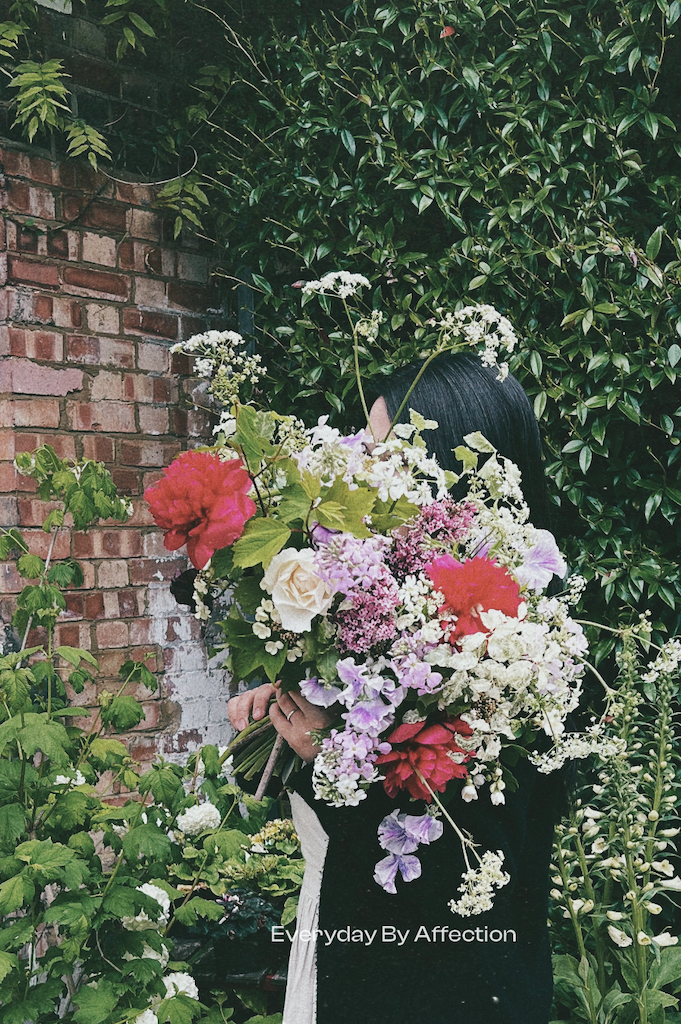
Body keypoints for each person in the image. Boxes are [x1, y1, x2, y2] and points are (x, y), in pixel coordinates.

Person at [227, 352, 565, 1024]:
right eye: (366, 454)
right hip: (351, 958)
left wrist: (332, 760)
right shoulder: (376, 608)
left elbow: (461, 875)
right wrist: (281, 730)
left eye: (390, 458)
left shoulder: (513, 648)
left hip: (440, 989)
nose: (366, 477)